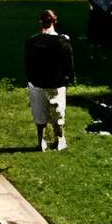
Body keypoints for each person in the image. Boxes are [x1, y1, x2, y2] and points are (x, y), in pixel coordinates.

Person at [24, 8, 75, 152]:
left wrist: (29, 79)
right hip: (55, 82)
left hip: (36, 82)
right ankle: (60, 140)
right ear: (54, 21)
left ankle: (41, 141)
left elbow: (28, 64)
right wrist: (69, 79)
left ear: (41, 23)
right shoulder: (62, 41)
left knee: (39, 113)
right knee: (58, 112)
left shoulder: (31, 42)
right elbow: (68, 64)